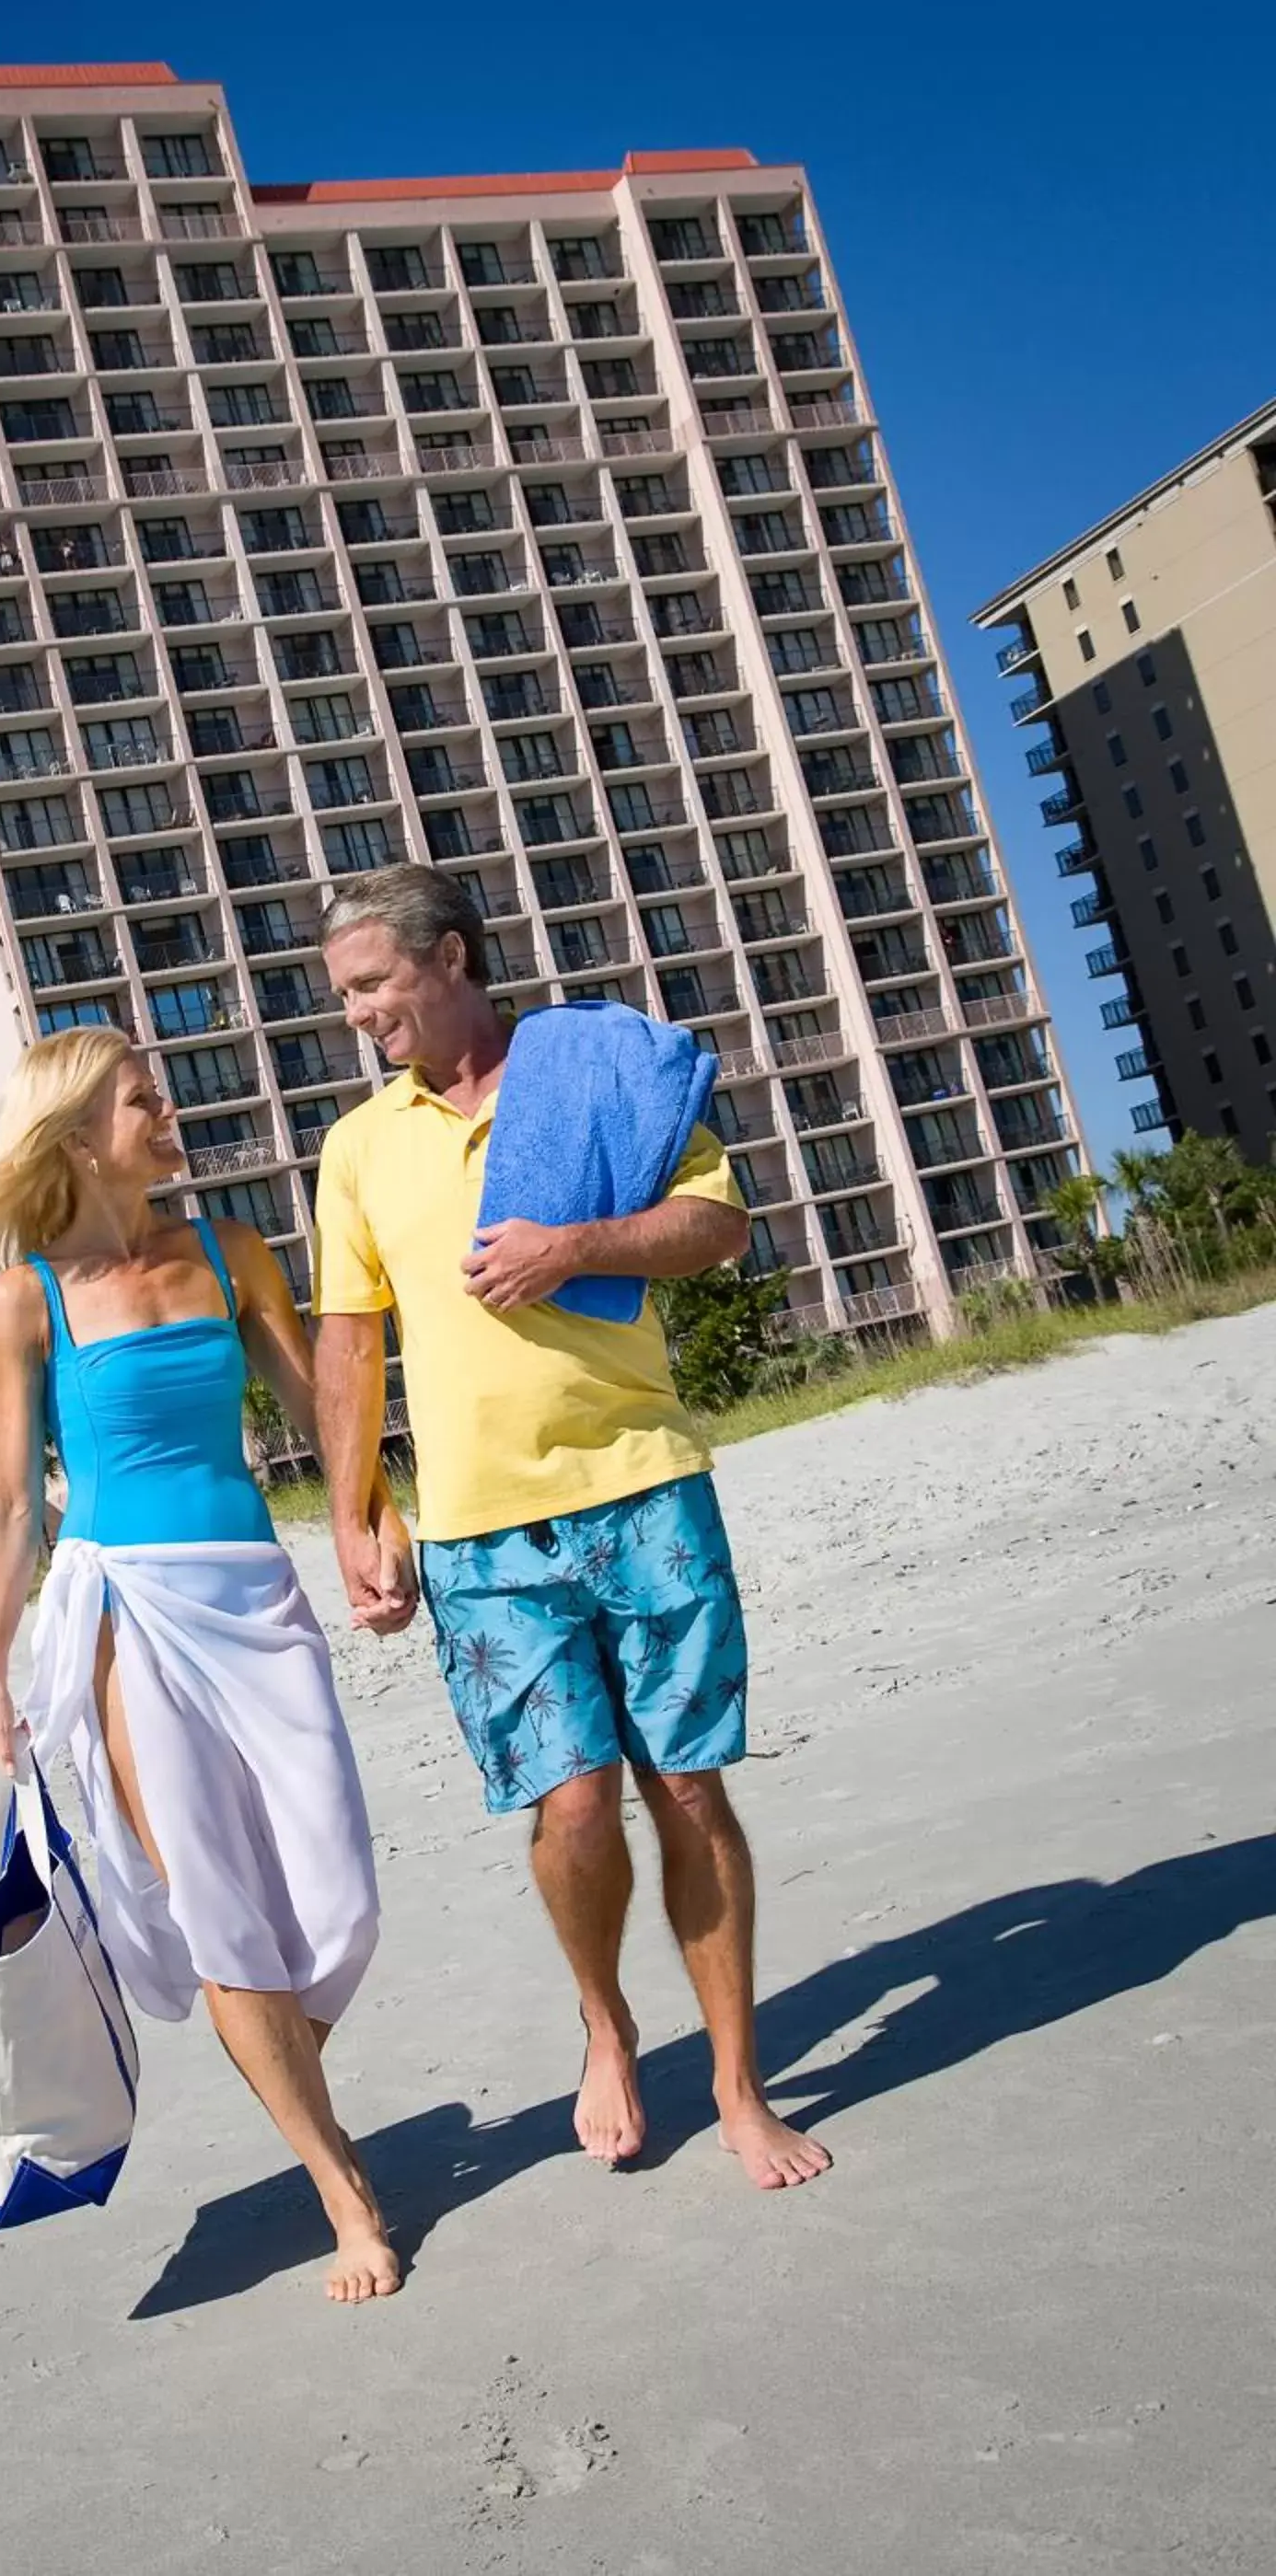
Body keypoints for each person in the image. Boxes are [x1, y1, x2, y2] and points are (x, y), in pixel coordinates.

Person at [311, 866, 831, 2191]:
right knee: (576, 1807)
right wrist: (355, 1514)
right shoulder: (362, 1148)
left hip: (644, 1482)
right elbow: (351, 1340)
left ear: (453, 959)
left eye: (373, 983)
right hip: (482, 1529)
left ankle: (735, 2084)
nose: (359, 1014)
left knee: (690, 1786)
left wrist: (576, 1245)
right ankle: (604, 2020)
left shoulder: (595, 1073)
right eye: (345, 996)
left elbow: (718, 1224)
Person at [0, 1028, 404, 2302]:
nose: (168, 1109)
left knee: (340, 1899)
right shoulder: (24, 1299)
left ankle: (284, 2078)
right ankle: (340, 2186)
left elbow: (326, 1400)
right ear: (77, 1136)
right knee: (218, 1910)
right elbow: (7, 1503)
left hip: (252, 1599)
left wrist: (372, 1510)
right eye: (141, 1099)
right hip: (121, 1617)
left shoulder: (230, 1251)